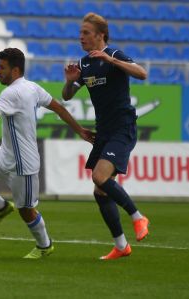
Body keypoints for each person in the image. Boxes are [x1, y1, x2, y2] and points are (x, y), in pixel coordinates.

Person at [0, 48, 94, 259]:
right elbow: (59, 108)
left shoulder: (13, 92)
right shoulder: (32, 88)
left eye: (1, 68)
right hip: (4, 154)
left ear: (15, 70)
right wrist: (80, 130)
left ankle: (44, 245)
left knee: (26, 211)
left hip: (24, 164)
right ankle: (0, 206)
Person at [62, 13, 150, 260]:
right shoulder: (84, 64)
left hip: (122, 126)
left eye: (86, 33)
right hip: (104, 130)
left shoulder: (114, 54)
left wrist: (112, 61)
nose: (81, 37)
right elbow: (67, 96)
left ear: (100, 35)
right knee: (100, 191)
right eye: (80, 33)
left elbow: (141, 73)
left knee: (99, 177)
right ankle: (122, 246)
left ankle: (138, 216)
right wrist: (70, 82)